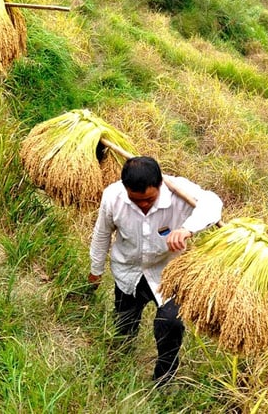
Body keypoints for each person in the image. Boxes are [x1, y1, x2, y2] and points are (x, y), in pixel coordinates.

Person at [88, 156, 223, 385]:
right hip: (128, 271)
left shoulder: (178, 193)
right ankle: (118, 367)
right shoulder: (113, 196)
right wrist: (96, 269)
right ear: (125, 188)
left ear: (160, 185)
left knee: (171, 324)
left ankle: (164, 379)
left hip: (167, 273)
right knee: (124, 324)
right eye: (136, 200)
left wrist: (187, 229)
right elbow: (102, 234)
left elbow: (214, 204)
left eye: (149, 200)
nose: (143, 205)